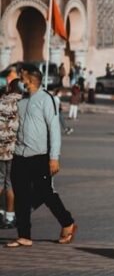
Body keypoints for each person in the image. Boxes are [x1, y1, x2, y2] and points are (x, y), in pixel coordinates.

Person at [7, 65, 77, 248]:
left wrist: (54, 157)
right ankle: (24, 235)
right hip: (19, 155)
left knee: (46, 193)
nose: (19, 81)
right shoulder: (21, 100)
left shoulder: (47, 100)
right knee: (21, 196)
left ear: (30, 79)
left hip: (40, 156)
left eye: (22, 77)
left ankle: (67, 222)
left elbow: (54, 130)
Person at [0, 68, 21, 229]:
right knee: (10, 183)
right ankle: (9, 216)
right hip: (13, 150)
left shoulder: (1, 100)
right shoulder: (21, 102)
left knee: (0, 182)